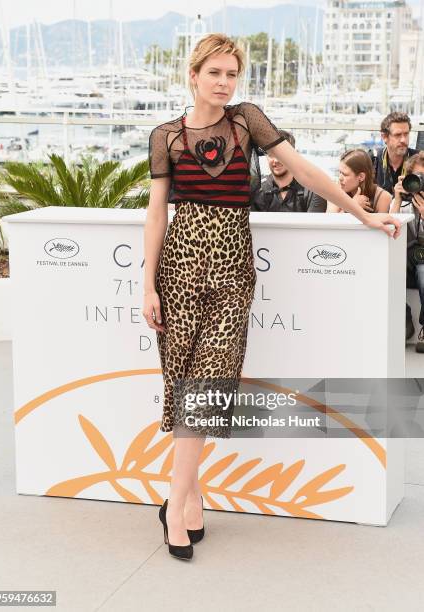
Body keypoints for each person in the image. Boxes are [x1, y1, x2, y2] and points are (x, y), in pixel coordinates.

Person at [142, 33, 401, 561]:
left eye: (231, 74)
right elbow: (156, 210)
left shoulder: (247, 121)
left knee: (209, 384)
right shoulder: (165, 135)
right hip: (179, 267)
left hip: (234, 267)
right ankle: (188, 502)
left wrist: (363, 213)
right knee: (182, 385)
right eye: (214, 72)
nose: (224, 82)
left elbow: (304, 170)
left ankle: (172, 502)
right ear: (193, 76)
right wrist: (147, 283)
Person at [390, 150, 424, 351]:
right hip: (408, 255)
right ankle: (404, 320)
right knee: (386, 264)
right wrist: (396, 198)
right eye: (416, 177)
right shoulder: (404, 202)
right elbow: (388, 228)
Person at [251, 130, 327, 212]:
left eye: (281, 154)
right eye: (271, 154)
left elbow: (314, 224)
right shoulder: (257, 189)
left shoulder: (313, 191)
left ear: (293, 154)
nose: (276, 160)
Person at [327, 148, 391, 213]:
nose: (340, 178)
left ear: (361, 177)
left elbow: (380, 222)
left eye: (345, 174)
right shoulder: (335, 191)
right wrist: (351, 206)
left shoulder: (382, 197)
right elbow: (330, 220)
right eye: (340, 172)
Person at [370, 111, 418, 195]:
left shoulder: (419, 160)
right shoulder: (373, 159)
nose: (403, 140)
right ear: (384, 137)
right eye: (398, 135)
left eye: (406, 134)